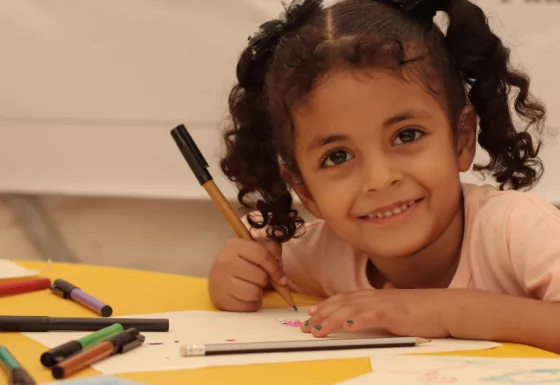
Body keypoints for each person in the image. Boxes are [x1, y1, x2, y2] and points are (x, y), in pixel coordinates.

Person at [208, 0, 560, 353]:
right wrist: (239, 273)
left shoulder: (519, 231)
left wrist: (449, 311)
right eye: (337, 157)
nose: (379, 179)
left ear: (462, 139)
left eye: (407, 135)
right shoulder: (323, 252)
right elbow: (257, 253)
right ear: (304, 188)